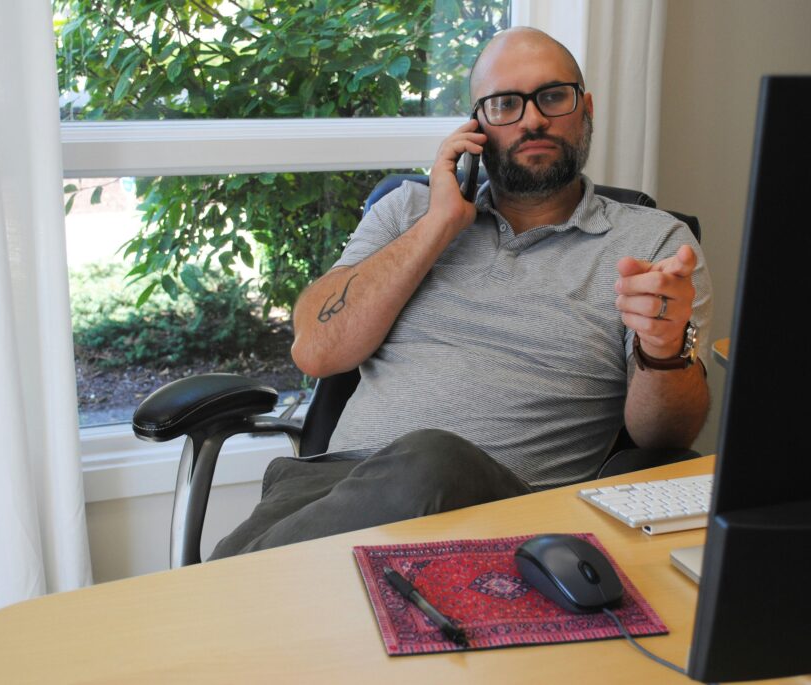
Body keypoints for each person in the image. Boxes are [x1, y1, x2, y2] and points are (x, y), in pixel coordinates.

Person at [210, 27, 712, 559]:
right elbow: (315, 350)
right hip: (326, 491)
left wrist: (662, 352)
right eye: (504, 104)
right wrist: (438, 225)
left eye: (552, 96)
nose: (533, 119)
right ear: (475, 126)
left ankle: (225, 595)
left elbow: (666, 439)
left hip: (507, 522)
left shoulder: (653, 244)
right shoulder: (407, 211)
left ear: (585, 108)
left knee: (432, 459)